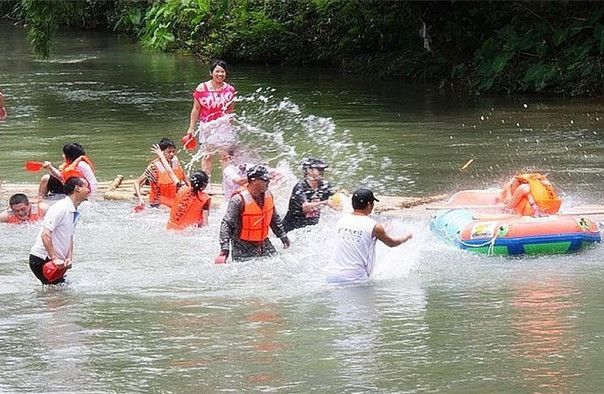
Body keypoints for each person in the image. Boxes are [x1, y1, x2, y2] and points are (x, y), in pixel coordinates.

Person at [325, 188, 413, 284]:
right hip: (354, 278)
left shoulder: (342, 220)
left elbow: (362, 232)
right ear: (369, 205)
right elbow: (392, 243)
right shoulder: (374, 226)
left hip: (331, 275)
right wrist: (407, 236)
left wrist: (382, 231)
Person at [216, 165, 290, 263]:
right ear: (253, 181)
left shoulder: (268, 195)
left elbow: (273, 218)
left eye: (268, 179)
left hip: (264, 243)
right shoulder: (238, 200)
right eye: (265, 180)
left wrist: (283, 236)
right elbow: (226, 224)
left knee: (279, 266)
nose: (268, 182)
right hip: (243, 247)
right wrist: (224, 251)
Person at [29, 177, 91, 285]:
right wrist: (54, 258)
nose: (89, 190)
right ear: (77, 188)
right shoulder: (60, 208)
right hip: (42, 259)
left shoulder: (73, 210)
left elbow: (70, 237)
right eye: (86, 187)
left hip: (56, 261)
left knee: (59, 294)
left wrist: (68, 257)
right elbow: (45, 234)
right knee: (57, 297)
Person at [184, 59, 237, 178]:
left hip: (224, 125)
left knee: (225, 155)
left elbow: (230, 111)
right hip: (207, 125)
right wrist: (191, 127)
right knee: (207, 155)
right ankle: (206, 183)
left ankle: (227, 182)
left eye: (222, 71)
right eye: (217, 71)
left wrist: (231, 127)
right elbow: (196, 109)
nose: (220, 74)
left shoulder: (230, 89)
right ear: (211, 73)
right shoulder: (201, 88)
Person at [282, 157, 336, 232]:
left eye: (323, 169)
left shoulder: (324, 185)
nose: (322, 172)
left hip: (312, 228)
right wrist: (325, 203)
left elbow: (336, 196)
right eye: (319, 169)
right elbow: (306, 207)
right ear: (308, 170)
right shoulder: (300, 187)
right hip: (293, 229)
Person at [134, 138, 185, 208]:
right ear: (161, 152)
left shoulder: (175, 162)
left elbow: (185, 178)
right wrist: (140, 198)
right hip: (158, 201)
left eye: (173, 151)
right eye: (169, 152)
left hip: (174, 198)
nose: (172, 154)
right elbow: (137, 182)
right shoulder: (154, 166)